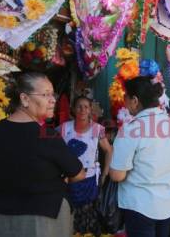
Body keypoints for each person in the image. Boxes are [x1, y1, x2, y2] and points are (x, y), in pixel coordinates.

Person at [0, 72, 85, 237]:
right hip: (42, 218)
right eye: (45, 94)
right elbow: (78, 174)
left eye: (52, 94)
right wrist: (62, 177)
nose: (53, 99)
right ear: (25, 99)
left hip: (2, 216)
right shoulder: (46, 134)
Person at [109, 76, 170, 237]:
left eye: (126, 97)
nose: (124, 101)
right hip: (167, 203)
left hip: (141, 206)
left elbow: (117, 175)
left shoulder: (131, 130)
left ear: (135, 100)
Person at [58, 96, 113, 236]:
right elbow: (55, 152)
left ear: (90, 110)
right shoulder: (64, 128)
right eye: (79, 106)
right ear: (73, 109)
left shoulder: (97, 129)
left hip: (89, 180)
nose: (82, 110)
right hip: (69, 181)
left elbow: (109, 150)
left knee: (89, 218)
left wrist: (105, 174)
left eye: (86, 107)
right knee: (70, 216)